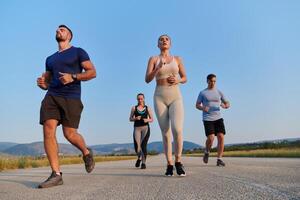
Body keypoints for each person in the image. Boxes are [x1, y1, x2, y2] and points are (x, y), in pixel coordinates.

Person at [36, 25, 97, 188]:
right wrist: (42, 84)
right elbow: (47, 82)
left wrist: (73, 76)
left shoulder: (78, 52)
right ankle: (56, 174)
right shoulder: (50, 59)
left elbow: (92, 72)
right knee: (49, 127)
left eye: (62, 30)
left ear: (69, 35)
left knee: (69, 134)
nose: (58, 30)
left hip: (71, 97)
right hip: (52, 96)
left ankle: (86, 152)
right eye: (57, 29)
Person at [145, 34, 187, 176]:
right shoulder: (153, 59)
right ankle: (169, 164)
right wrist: (157, 69)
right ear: (158, 44)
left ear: (170, 43)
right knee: (165, 132)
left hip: (175, 96)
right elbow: (147, 79)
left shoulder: (177, 59)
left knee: (177, 129)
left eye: (166, 39)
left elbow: (185, 77)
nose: (164, 41)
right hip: (159, 97)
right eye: (161, 39)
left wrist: (178, 80)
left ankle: (178, 161)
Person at [196, 74, 230, 166]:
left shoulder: (219, 92)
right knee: (211, 138)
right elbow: (197, 105)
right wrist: (203, 108)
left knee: (221, 137)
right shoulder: (202, 93)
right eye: (211, 81)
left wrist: (225, 106)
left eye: (214, 81)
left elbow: (227, 103)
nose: (213, 83)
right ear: (207, 81)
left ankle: (219, 159)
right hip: (207, 118)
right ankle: (207, 151)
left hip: (218, 118)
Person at [129, 93, 153, 169]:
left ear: (144, 99)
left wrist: (147, 119)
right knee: (137, 147)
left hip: (145, 128)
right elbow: (130, 118)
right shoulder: (134, 108)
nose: (140, 100)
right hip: (137, 128)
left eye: (141, 98)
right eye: (138, 99)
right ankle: (139, 157)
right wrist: (135, 118)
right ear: (137, 99)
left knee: (143, 146)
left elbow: (152, 119)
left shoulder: (147, 108)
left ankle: (143, 163)